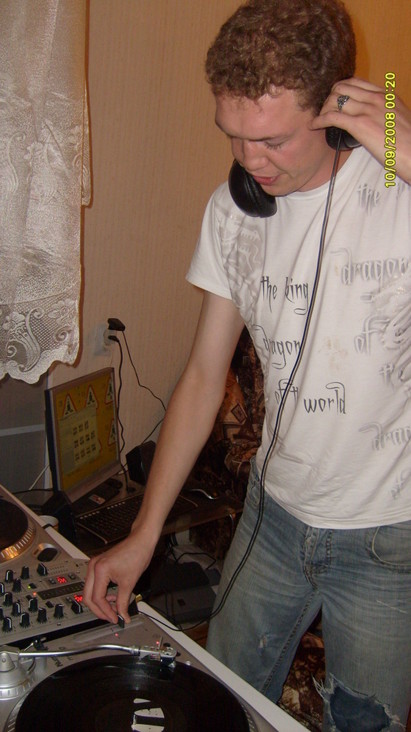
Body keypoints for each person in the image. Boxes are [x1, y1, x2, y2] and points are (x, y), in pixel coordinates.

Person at [84, 1, 411, 728]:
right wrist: (144, 533)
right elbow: (204, 377)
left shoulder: (398, 188)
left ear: (335, 111)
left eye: (271, 140)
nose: (248, 163)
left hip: (390, 538)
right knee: (218, 697)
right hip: (273, 513)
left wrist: (402, 138)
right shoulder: (234, 211)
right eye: (231, 136)